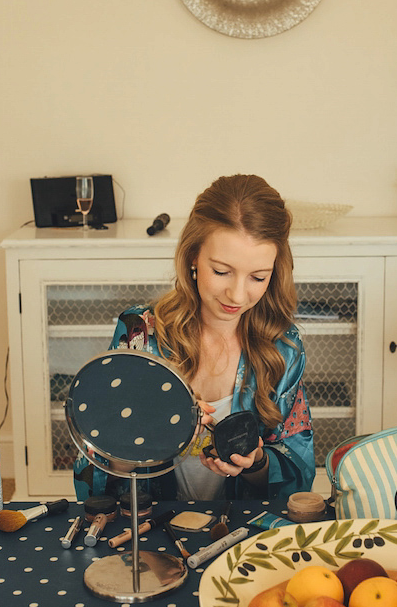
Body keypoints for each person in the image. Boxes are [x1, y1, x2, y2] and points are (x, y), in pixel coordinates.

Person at [73, 174, 315, 501]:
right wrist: (144, 431)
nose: (238, 295)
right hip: (151, 529)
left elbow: (299, 481)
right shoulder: (140, 333)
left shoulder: (284, 347)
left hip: (242, 536)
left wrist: (255, 463)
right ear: (193, 257)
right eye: (221, 271)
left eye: (258, 277)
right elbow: (90, 476)